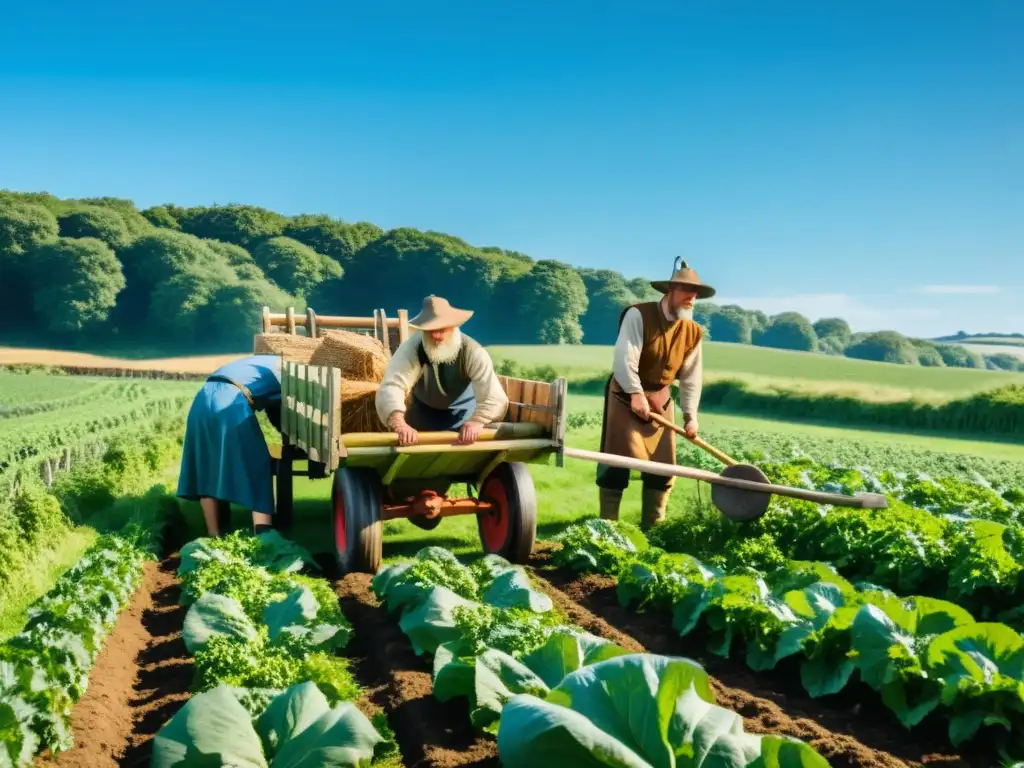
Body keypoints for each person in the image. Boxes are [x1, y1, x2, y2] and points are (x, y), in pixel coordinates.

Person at [596, 257, 714, 530]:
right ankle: (606, 529)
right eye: (687, 291)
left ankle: (653, 530)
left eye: (695, 294)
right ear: (670, 290)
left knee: (663, 470)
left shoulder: (693, 331)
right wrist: (636, 394)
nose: (692, 298)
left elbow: (691, 376)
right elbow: (625, 359)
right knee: (615, 465)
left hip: (661, 402)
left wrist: (690, 416)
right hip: (625, 398)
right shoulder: (639, 315)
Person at [375, 295, 509, 446]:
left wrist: (477, 421)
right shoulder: (412, 348)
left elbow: (494, 396)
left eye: (441, 329)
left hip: (464, 423)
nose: (436, 335)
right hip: (420, 425)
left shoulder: (472, 351)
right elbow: (392, 386)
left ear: (453, 326)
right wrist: (398, 422)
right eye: (431, 329)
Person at [177, 354, 283, 537]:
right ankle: (263, 533)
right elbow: (278, 411)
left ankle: (213, 534)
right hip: (231, 401)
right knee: (257, 462)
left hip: (202, 399)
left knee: (206, 465)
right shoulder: (284, 371)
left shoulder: (258, 361)